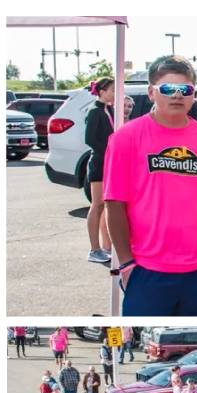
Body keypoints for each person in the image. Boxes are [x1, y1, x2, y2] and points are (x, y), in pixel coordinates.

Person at [104, 55, 197, 315]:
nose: (176, 96)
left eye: (184, 89)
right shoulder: (126, 137)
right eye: (168, 89)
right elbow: (114, 203)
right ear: (152, 93)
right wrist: (127, 265)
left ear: (192, 95)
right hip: (147, 270)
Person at [84, 77, 117, 264]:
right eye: (112, 90)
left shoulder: (109, 109)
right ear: (102, 91)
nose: (114, 93)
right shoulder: (95, 111)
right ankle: (93, 248)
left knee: (106, 205)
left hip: (110, 162)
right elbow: (90, 139)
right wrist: (107, 152)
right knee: (96, 205)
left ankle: (106, 246)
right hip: (99, 163)